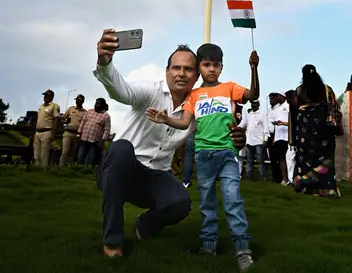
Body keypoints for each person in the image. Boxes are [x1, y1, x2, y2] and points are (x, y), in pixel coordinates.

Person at [94, 30, 246, 259]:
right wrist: (105, 63)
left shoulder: (199, 107)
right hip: (118, 170)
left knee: (181, 202)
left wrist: (238, 137)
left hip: (155, 177)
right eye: (176, 68)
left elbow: (222, 131)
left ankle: (144, 226)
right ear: (167, 72)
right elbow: (120, 91)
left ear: (196, 76)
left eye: (188, 69)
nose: (182, 74)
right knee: (122, 147)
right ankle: (113, 240)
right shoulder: (150, 91)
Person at [146, 44, 260, 271]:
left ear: (221, 67)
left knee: (233, 201)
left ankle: (242, 248)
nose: (211, 69)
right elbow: (185, 122)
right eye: (206, 65)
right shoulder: (194, 95)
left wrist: (253, 68)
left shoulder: (229, 88)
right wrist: (166, 119)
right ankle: (209, 245)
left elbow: (253, 94)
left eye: (215, 65)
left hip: (227, 153)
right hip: (204, 155)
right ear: (199, 67)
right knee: (207, 203)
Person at [293, 65, 341, 198]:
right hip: (324, 129)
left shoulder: (300, 90)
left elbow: (296, 108)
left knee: (306, 159)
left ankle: (307, 186)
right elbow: (334, 106)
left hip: (305, 131)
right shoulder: (327, 89)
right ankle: (328, 189)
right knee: (326, 159)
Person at [77, 98, 111, 166]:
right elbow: (83, 122)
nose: (96, 105)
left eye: (98, 104)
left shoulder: (106, 116)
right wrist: (79, 133)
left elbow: (107, 129)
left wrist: (102, 140)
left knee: (91, 159)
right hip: (84, 138)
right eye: (96, 103)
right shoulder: (89, 111)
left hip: (95, 141)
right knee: (80, 157)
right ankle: (78, 171)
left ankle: (88, 173)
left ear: (103, 105)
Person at [240, 100, 268, 181]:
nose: (253, 105)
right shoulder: (249, 114)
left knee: (260, 160)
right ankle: (249, 176)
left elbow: (265, 127)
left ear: (258, 104)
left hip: (259, 140)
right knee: (249, 159)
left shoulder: (262, 114)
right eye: (252, 103)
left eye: (255, 103)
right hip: (249, 140)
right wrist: (237, 128)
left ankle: (262, 177)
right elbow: (244, 123)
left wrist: (265, 139)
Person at [34, 90, 60, 168]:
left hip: (47, 131)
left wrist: (53, 133)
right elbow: (38, 119)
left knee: (44, 155)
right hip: (38, 131)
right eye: (44, 95)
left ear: (51, 97)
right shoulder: (41, 106)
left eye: (47, 95)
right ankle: (36, 170)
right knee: (36, 154)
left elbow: (56, 119)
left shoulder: (54, 106)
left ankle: (43, 171)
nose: (45, 97)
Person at [268, 91, 290, 185]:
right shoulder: (277, 109)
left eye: (277, 96)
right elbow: (276, 124)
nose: (276, 97)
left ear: (282, 96)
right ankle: (284, 179)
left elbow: (292, 122)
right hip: (278, 137)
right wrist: (274, 138)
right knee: (281, 158)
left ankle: (290, 178)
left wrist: (283, 123)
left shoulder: (288, 106)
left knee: (289, 158)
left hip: (287, 137)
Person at [60, 94, 87, 166]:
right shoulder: (71, 109)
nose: (77, 101)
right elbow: (62, 119)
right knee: (65, 152)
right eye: (77, 100)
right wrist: (65, 122)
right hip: (68, 133)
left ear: (83, 101)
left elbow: (85, 124)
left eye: (79, 100)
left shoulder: (85, 112)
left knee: (73, 153)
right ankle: (60, 168)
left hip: (77, 135)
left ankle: (70, 170)